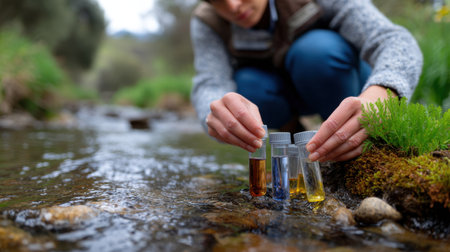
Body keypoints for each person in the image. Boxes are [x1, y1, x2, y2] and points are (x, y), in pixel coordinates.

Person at [190, 0, 423, 162]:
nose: (232, 5)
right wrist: (214, 110)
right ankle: (295, 133)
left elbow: (394, 40)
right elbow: (210, 83)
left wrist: (384, 94)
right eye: (217, 0)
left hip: (347, 81)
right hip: (280, 93)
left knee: (316, 51)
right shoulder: (207, 21)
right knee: (246, 86)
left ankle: (352, 136)